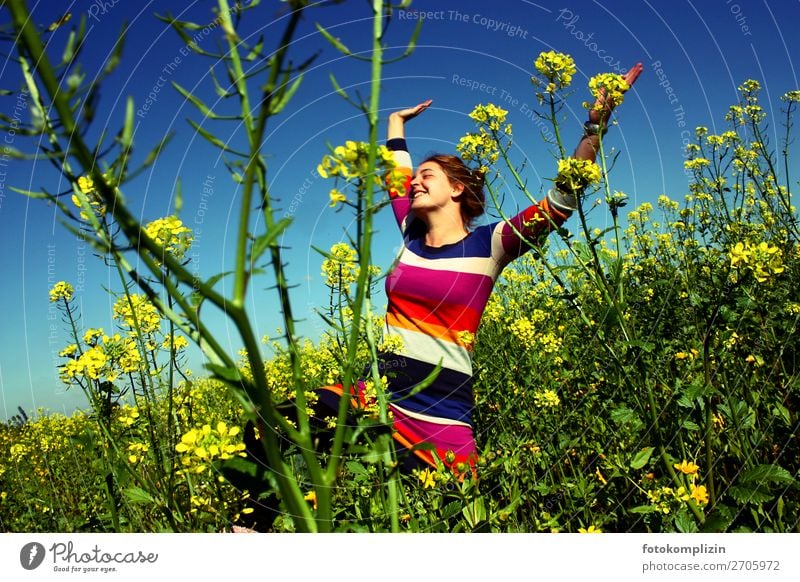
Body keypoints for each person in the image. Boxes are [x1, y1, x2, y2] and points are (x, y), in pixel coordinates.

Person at [313, 63, 643, 473]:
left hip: (440, 414)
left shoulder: (490, 245)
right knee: (272, 430)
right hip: (375, 396)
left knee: (455, 517)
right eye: (415, 177)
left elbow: (562, 200)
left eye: (427, 175)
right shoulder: (410, 234)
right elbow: (396, 173)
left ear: (456, 188)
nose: (415, 182)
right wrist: (395, 122)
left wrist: (596, 126)